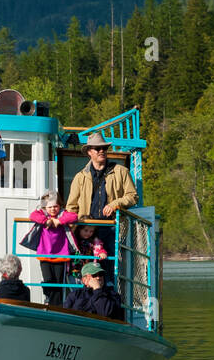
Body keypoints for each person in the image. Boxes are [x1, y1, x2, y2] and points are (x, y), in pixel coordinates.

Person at [65, 132, 138, 276]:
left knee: (109, 267)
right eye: (97, 148)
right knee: (84, 268)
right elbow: (71, 207)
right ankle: (85, 296)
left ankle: (108, 295)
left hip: (111, 228)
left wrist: (115, 204)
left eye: (104, 148)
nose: (101, 151)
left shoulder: (121, 171)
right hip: (87, 231)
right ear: (89, 152)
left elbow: (133, 196)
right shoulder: (80, 177)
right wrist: (73, 230)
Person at [28, 192, 77, 303]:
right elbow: (33, 215)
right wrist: (47, 221)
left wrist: (59, 221)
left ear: (60, 205)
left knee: (58, 282)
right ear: (45, 207)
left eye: (55, 206)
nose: (53, 209)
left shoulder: (62, 214)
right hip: (45, 253)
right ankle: (49, 298)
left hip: (61, 254)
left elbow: (74, 216)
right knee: (48, 280)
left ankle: (56, 306)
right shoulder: (43, 214)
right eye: (50, 207)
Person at [63, 221, 107, 308]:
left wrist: (102, 253)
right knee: (76, 290)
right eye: (86, 230)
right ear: (79, 229)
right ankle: (77, 305)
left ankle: (88, 305)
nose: (88, 234)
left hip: (88, 271)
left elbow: (99, 248)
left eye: (91, 231)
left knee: (87, 289)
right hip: (75, 271)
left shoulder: (94, 241)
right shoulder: (73, 239)